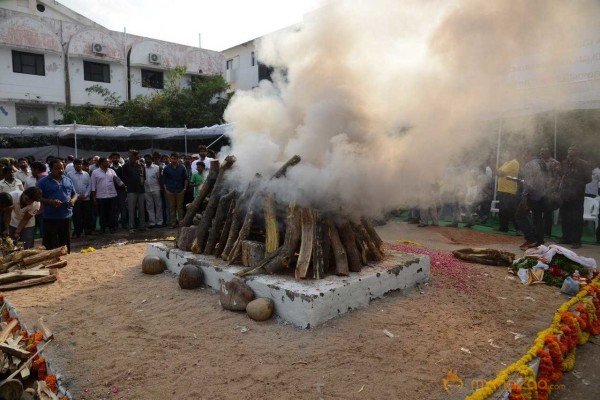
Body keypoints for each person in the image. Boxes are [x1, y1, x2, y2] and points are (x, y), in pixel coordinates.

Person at [37, 159, 77, 252]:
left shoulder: (68, 180)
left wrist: (73, 200)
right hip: (50, 217)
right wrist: (50, 202)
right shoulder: (42, 182)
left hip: (66, 216)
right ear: (50, 169)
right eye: (57, 169)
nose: (61, 171)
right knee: (49, 243)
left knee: (65, 242)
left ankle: (66, 259)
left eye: (62, 168)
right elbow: (38, 197)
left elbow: (75, 194)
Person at [559, 145, 592, 249]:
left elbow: (588, 179)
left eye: (573, 149)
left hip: (577, 195)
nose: (571, 151)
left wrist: (576, 183)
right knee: (565, 217)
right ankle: (566, 238)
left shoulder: (584, 164)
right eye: (569, 149)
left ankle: (576, 241)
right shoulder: (564, 163)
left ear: (578, 152)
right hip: (565, 194)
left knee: (576, 219)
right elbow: (562, 175)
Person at [515, 150, 549, 250]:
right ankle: (539, 242)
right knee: (538, 218)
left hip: (531, 195)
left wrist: (525, 196)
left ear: (528, 154)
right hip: (542, 194)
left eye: (524, 155)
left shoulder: (529, 165)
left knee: (519, 215)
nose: (523, 158)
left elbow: (529, 183)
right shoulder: (541, 162)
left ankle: (531, 238)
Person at [91, 157, 126, 234]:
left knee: (112, 213)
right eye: (106, 162)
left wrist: (124, 185)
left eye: (108, 162)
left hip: (112, 195)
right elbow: (93, 186)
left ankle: (112, 228)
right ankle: (102, 228)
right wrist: (94, 197)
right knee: (102, 213)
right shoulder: (95, 172)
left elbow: (117, 180)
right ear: (101, 163)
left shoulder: (111, 171)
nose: (108, 163)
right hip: (101, 196)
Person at [67, 159, 94, 238]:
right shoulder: (69, 174)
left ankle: (87, 230)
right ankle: (77, 231)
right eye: (77, 164)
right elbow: (70, 187)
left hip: (86, 198)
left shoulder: (86, 174)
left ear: (82, 165)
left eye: (80, 164)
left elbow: (89, 185)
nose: (78, 165)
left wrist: (85, 195)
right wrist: (77, 196)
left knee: (87, 215)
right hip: (76, 199)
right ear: (74, 165)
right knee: (76, 216)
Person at [121, 149, 146, 233]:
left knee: (142, 209)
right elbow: (123, 178)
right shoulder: (125, 166)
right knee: (131, 210)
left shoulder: (142, 166)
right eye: (129, 156)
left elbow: (144, 177)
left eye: (131, 156)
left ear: (136, 157)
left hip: (141, 190)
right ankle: (131, 227)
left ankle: (142, 225)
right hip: (131, 190)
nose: (129, 157)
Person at [539, 145, 561, 237]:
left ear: (549, 153)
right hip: (539, 190)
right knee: (538, 211)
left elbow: (558, 178)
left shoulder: (555, 163)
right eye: (541, 151)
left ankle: (547, 232)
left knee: (548, 212)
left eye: (544, 151)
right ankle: (538, 231)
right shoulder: (539, 162)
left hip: (550, 191)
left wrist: (552, 189)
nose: (541, 153)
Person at [162, 153, 188, 228]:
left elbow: (186, 179)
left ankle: (181, 223)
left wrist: (185, 189)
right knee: (171, 208)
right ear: (170, 159)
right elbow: (164, 180)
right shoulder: (166, 168)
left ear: (178, 159)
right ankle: (172, 223)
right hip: (170, 190)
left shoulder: (182, 167)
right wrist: (166, 190)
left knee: (180, 208)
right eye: (172, 158)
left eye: (175, 158)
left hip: (180, 190)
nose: (173, 160)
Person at [496, 154, 520, 233]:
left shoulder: (514, 162)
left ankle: (519, 229)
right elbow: (497, 172)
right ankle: (503, 227)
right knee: (502, 210)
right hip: (502, 189)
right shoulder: (506, 163)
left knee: (511, 210)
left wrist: (499, 172)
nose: (507, 154)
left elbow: (500, 173)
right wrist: (499, 172)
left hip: (509, 190)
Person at [143, 154, 163, 229]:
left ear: (152, 160)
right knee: (149, 206)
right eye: (146, 159)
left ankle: (159, 222)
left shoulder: (157, 168)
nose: (147, 160)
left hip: (156, 189)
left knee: (158, 206)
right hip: (146, 190)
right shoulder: (143, 168)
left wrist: (161, 188)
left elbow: (159, 179)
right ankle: (152, 222)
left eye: (148, 159)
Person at [109, 153, 128, 228]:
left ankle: (124, 223)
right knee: (114, 208)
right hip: (112, 191)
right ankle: (115, 224)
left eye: (116, 158)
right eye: (113, 158)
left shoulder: (123, 168)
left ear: (119, 158)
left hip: (122, 191)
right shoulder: (109, 168)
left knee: (123, 207)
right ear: (111, 159)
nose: (115, 159)